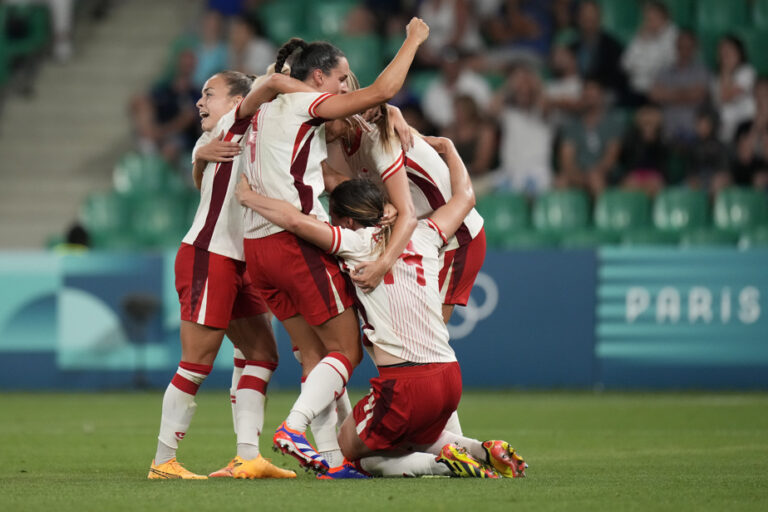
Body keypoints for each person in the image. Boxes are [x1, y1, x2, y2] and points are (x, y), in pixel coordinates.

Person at [235, 137, 526, 479]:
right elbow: (465, 196)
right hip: (450, 376)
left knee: (351, 453)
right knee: (414, 435)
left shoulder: (355, 244)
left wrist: (248, 197)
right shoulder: (425, 233)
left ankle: (442, 464)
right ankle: (478, 449)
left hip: (405, 382)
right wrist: (449, 148)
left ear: (346, 221)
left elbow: (296, 222)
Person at [232, 17, 431, 474]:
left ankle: (330, 459)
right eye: (341, 78)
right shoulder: (308, 103)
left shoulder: (263, 108)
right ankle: (293, 429)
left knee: (315, 356)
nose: (345, 87)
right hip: (293, 244)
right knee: (347, 349)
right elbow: (382, 91)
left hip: (257, 251)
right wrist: (413, 39)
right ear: (318, 77)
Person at [147, 70, 295, 480]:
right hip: (209, 256)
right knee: (196, 364)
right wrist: (284, 76)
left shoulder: (250, 128)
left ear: (235, 101)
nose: (199, 102)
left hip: (239, 262)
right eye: (200, 94)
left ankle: (248, 456)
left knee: (263, 355)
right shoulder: (227, 126)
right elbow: (204, 159)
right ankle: (163, 462)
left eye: (208, 94)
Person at [557, 78, 624, 198]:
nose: (589, 97)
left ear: (601, 96)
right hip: (579, 172)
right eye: (586, 93)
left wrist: (594, 173)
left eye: (593, 93)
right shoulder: (573, 126)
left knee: (595, 179)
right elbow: (567, 159)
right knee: (562, 181)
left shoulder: (613, 123)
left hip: (604, 174)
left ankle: (604, 214)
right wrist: (577, 175)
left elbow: (611, 157)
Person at [648, 30, 710, 145]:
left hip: (693, 131)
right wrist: (685, 94)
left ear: (695, 48)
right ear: (676, 47)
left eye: (688, 46)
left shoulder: (701, 71)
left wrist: (668, 94)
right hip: (666, 131)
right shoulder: (665, 71)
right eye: (681, 46)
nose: (684, 49)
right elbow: (654, 94)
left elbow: (698, 95)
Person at [621, 0, 677, 102]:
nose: (649, 21)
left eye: (653, 18)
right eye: (647, 18)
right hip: (636, 89)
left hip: (661, 91)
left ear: (664, 18)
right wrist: (641, 41)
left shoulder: (674, 37)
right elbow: (625, 64)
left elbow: (666, 68)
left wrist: (639, 67)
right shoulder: (642, 35)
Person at [712, 35, 756, 144]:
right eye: (722, 51)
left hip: (745, 127)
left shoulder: (747, 72)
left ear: (739, 52)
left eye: (729, 50)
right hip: (724, 132)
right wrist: (725, 72)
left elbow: (726, 96)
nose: (725, 55)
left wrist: (726, 70)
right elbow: (718, 104)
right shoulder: (716, 79)